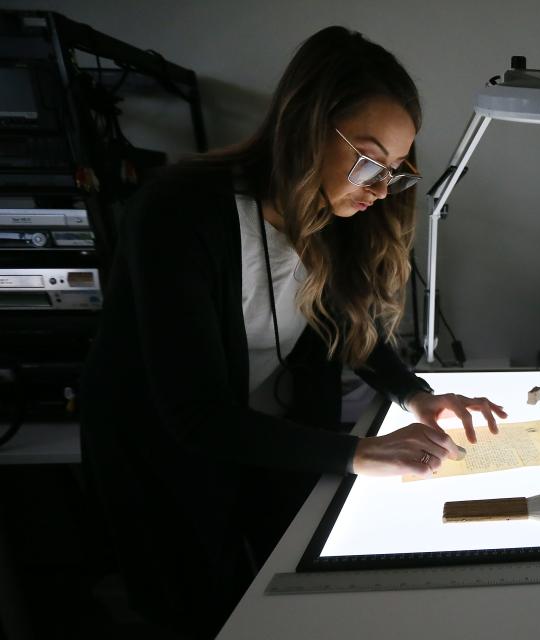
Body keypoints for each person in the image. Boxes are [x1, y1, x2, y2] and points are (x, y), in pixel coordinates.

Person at [80, 26, 506, 638]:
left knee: (280, 576)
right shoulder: (178, 211)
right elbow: (193, 414)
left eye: (394, 170)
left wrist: (416, 395)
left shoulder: (328, 211)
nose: (381, 189)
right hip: (156, 446)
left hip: (250, 427)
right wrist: (360, 454)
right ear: (306, 125)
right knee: (196, 603)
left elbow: (351, 325)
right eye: (367, 159)